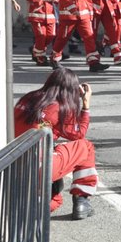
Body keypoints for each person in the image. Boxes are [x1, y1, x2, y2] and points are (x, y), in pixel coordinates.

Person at [13, 65, 100, 219]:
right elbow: (78, 134)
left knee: (56, 197)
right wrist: (85, 105)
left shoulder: (28, 98)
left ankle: (35, 204)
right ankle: (82, 200)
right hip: (39, 164)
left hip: (13, 162)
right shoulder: (61, 106)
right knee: (85, 147)